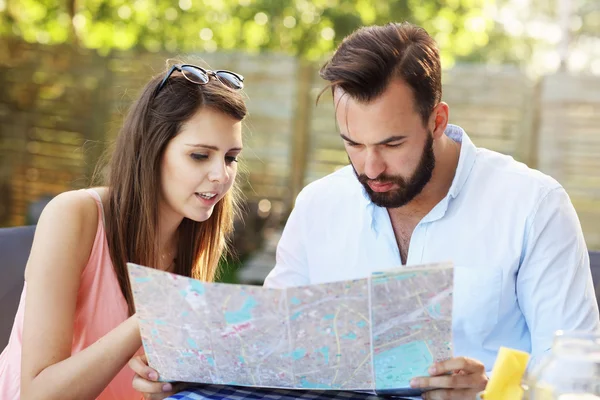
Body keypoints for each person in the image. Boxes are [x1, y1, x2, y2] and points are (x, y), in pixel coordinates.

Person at [131, 23, 600, 400]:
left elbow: (580, 377)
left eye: (392, 144)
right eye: (352, 144)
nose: (370, 167)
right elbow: (271, 354)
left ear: (437, 120)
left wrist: (492, 389)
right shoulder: (320, 205)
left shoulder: (533, 205)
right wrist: (185, 371)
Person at [0, 62, 247, 400]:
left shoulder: (200, 235)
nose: (221, 175)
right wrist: (151, 314)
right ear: (152, 149)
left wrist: (169, 383)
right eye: (200, 155)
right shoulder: (74, 216)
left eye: (231, 158)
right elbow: (38, 394)